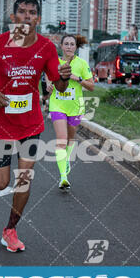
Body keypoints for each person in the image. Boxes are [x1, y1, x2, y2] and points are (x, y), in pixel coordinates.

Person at [0, 0, 71, 253]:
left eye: (32, 12)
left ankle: (10, 230)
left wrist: (65, 78)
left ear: (37, 17)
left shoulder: (47, 47)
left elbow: (58, 85)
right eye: (22, 12)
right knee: (4, 182)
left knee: (24, 179)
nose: (27, 16)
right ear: (13, 17)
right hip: (0, 122)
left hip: (30, 123)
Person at [47, 34, 94, 190]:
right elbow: (49, 79)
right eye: (66, 44)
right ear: (61, 46)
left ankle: (66, 160)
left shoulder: (81, 63)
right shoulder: (54, 63)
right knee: (61, 139)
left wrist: (77, 78)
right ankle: (63, 177)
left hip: (75, 106)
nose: (68, 46)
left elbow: (91, 86)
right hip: (57, 105)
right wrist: (49, 85)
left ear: (75, 47)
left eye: (71, 44)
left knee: (70, 139)